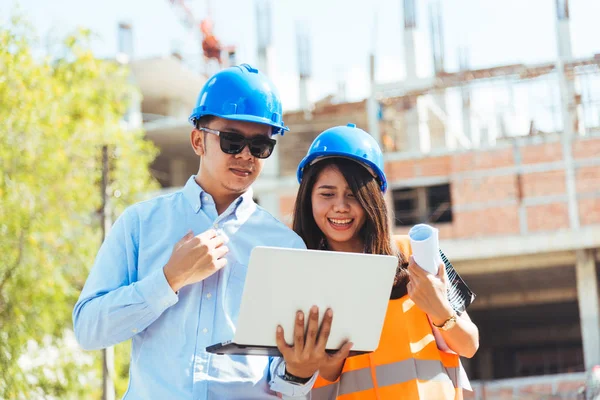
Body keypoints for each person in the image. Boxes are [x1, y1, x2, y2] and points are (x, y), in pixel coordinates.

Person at [73, 64, 334, 399]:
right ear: (198, 140)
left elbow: (283, 383)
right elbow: (88, 330)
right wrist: (169, 279)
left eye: (259, 146)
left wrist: (298, 373)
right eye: (232, 141)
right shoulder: (140, 224)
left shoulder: (285, 246)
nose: (245, 156)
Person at [292, 123, 480, 399]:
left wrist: (440, 310)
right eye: (327, 194)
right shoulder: (300, 274)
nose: (340, 206)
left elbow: (469, 344)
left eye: (354, 195)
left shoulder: (414, 254)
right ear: (308, 198)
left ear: (373, 199)